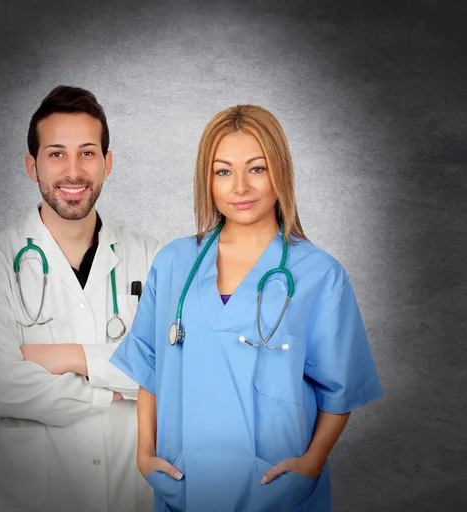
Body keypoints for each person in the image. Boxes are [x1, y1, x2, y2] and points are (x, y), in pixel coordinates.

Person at [109, 104, 383, 511]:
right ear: (207, 179)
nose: (240, 187)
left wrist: (312, 462)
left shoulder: (319, 274)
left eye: (256, 168)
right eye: (223, 171)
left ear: (280, 173)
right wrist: (145, 454)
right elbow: (150, 365)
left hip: (276, 489)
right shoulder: (174, 263)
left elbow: (339, 390)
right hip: (183, 484)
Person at [0, 85, 161, 512]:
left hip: (132, 496)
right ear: (32, 166)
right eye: (56, 154)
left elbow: (172, 368)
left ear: (107, 163)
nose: (73, 171)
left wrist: (68, 356)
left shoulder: (153, 257)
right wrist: (114, 390)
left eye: (87, 153)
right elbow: (0, 387)